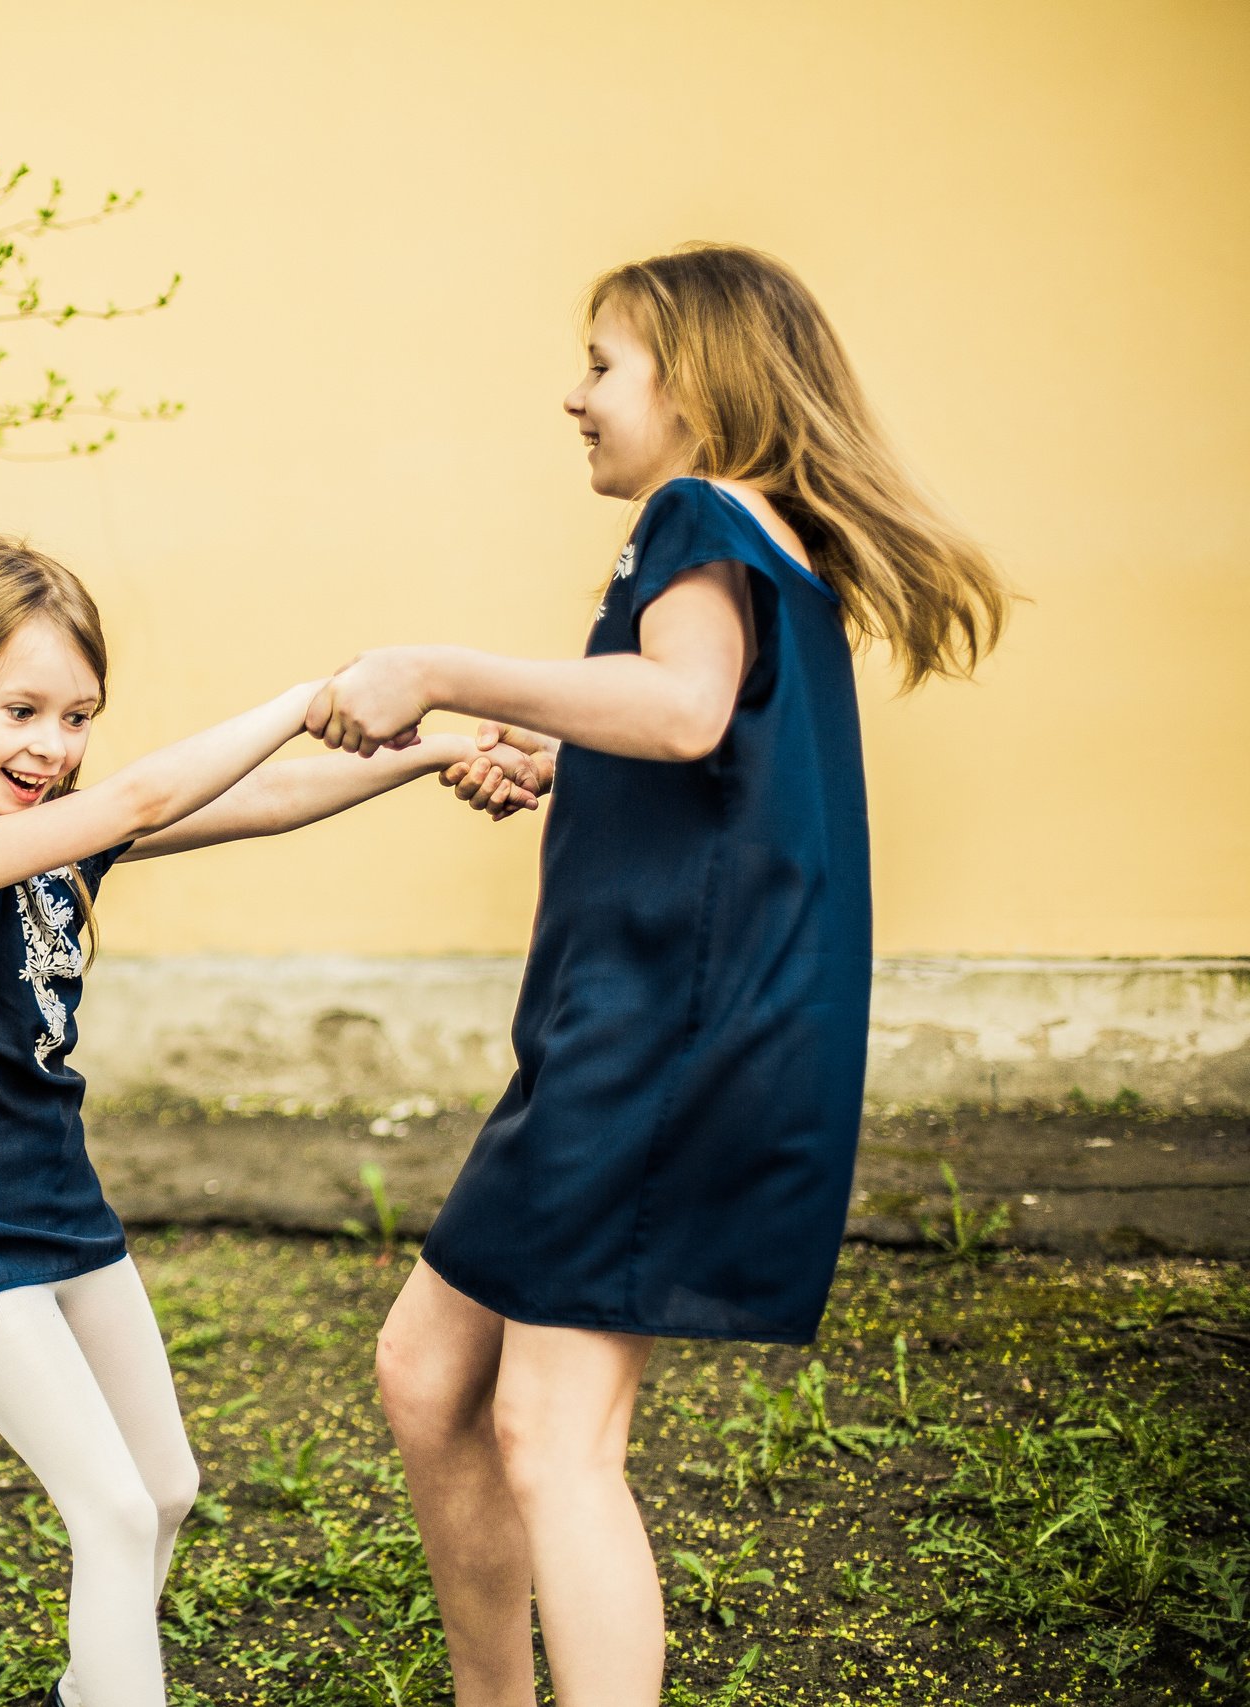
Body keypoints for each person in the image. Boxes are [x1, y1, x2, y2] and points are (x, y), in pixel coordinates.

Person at [0, 528, 535, 1707]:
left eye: (76, 718)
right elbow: (148, 791)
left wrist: (433, 750)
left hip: (53, 1198)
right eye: (20, 711)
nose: (51, 748)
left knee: (163, 1486)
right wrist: (318, 695)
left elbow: (257, 798)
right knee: (109, 1511)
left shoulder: (57, 839)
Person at [307, 242, 1011, 1707]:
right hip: (621, 1038)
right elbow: (715, 745)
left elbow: (687, 710)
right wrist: (565, 756)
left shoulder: (701, 510)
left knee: (556, 1433)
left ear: (697, 385)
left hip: (662, 1044)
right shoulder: (762, 541)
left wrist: (437, 666)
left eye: (603, 363)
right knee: (430, 1372)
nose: (574, 396)